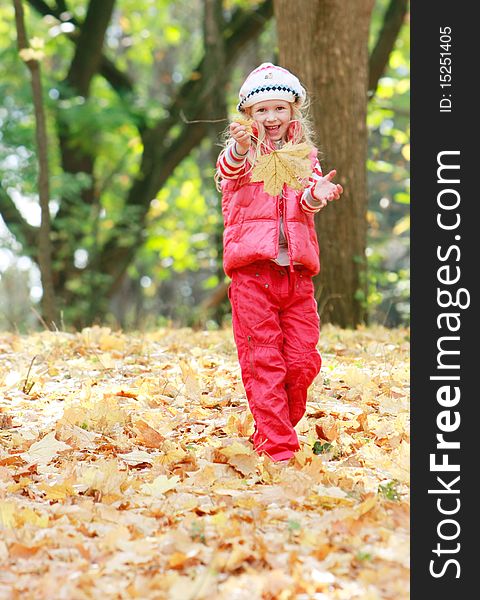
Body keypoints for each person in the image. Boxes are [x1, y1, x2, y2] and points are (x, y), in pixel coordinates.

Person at [216, 63, 343, 463]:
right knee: (264, 361)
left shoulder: (303, 156)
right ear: (248, 116)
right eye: (261, 111)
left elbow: (305, 203)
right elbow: (227, 171)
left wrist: (318, 193)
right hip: (252, 275)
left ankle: (274, 428)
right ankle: (279, 449)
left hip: (297, 277)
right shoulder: (241, 155)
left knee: (303, 362)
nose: (271, 118)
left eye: (279, 109)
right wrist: (238, 147)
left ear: (293, 111)